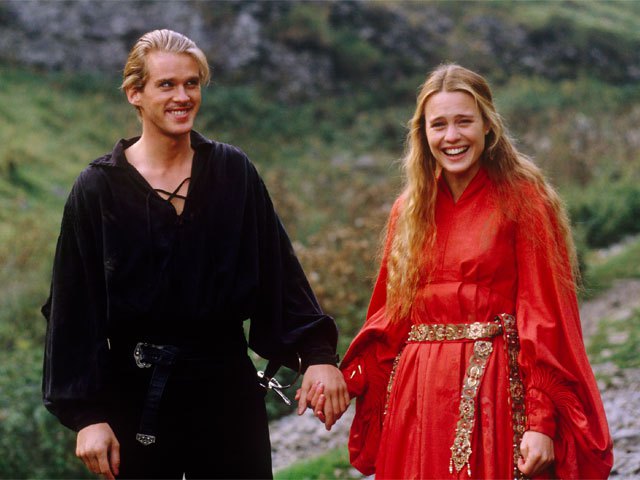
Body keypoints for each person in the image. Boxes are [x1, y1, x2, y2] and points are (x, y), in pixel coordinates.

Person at [42, 29, 348, 479]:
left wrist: (317, 355)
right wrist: (87, 416)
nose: (182, 97)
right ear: (135, 94)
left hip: (227, 391)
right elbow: (73, 309)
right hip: (136, 400)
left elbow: (279, 273)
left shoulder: (232, 171)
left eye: (191, 83)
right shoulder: (97, 189)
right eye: (166, 84)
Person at [333, 64, 613, 478]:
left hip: (494, 393)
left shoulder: (525, 200)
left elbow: (545, 317)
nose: (451, 136)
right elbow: (389, 320)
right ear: (423, 134)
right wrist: (344, 380)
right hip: (416, 397)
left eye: (464, 121)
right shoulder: (408, 210)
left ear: (487, 125)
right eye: (438, 125)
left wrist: (541, 422)